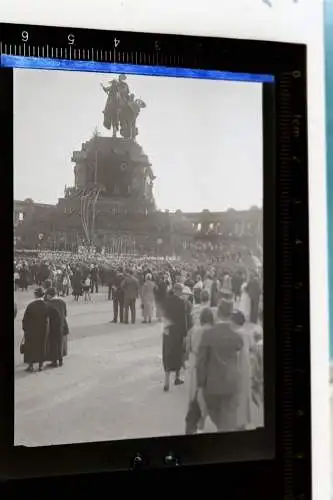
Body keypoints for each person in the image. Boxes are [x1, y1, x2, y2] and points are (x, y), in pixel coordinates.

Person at [196, 299, 243, 432]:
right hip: (230, 386)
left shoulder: (207, 335)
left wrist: (200, 384)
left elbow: (201, 361)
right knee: (226, 422)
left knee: (217, 417)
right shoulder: (237, 337)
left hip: (212, 387)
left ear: (218, 313)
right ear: (230, 315)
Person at [185, 307, 214, 434]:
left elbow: (188, 348)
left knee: (193, 399)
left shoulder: (194, 331)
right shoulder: (213, 332)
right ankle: (202, 420)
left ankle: (194, 424)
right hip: (209, 367)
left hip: (196, 364)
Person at [162, 283, 189, 392]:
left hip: (167, 330)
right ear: (179, 291)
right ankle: (177, 378)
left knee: (167, 353)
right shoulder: (182, 303)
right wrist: (185, 334)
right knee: (178, 354)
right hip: (177, 331)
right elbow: (183, 320)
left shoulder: (166, 301)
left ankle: (166, 381)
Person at [230, 309, 254, 430]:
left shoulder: (236, 334)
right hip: (246, 367)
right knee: (244, 394)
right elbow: (252, 349)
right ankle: (242, 421)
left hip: (237, 367)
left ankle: (237, 422)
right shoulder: (247, 333)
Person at [22, 287, 48, 372]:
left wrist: (25, 329)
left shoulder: (31, 305)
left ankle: (31, 366)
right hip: (43, 330)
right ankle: (40, 365)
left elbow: (25, 319)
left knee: (31, 347)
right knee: (42, 346)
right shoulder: (46, 305)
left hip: (31, 330)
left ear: (35, 295)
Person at [44, 287, 67, 368]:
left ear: (50, 295)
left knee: (53, 343)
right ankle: (60, 360)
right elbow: (65, 314)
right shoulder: (62, 302)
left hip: (53, 326)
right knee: (60, 343)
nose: (46, 296)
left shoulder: (49, 304)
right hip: (62, 325)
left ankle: (54, 361)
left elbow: (46, 316)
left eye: (47, 295)